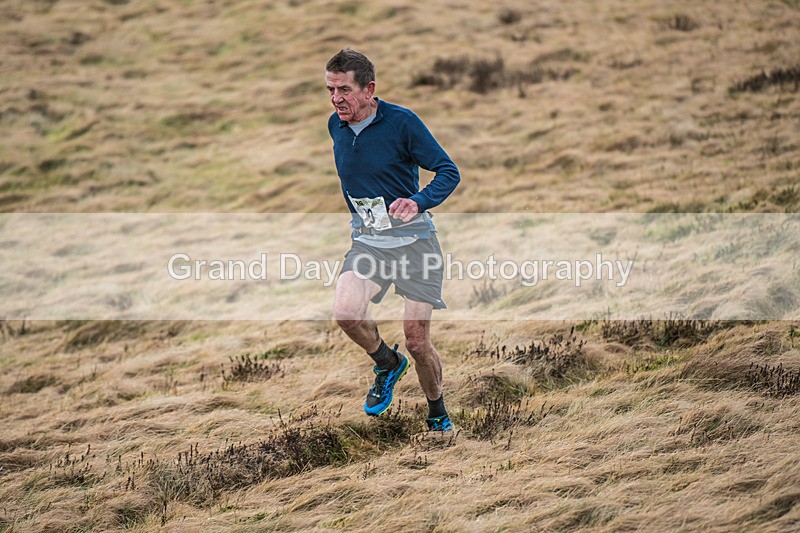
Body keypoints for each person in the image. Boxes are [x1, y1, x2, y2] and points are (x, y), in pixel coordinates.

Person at [325, 49, 461, 433]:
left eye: (345, 89)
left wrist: (417, 202)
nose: (337, 98)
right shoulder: (335, 126)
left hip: (415, 246)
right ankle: (386, 363)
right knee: (347, 312)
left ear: (369, 89)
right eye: (331, 89)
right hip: (369, 245)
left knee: (417, 342)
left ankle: (437, 413)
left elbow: (448, 171)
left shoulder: (402, 123)